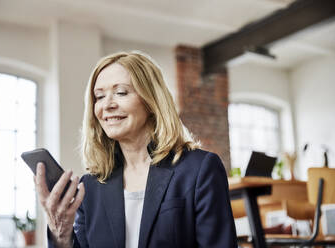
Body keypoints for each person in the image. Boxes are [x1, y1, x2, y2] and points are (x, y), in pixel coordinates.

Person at [35, 51, 237, 248]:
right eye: (99, 96)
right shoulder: (91, 186)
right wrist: (60, 232)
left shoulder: (200, 169)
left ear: (151, 101)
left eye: (121, 92)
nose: (107, 105)